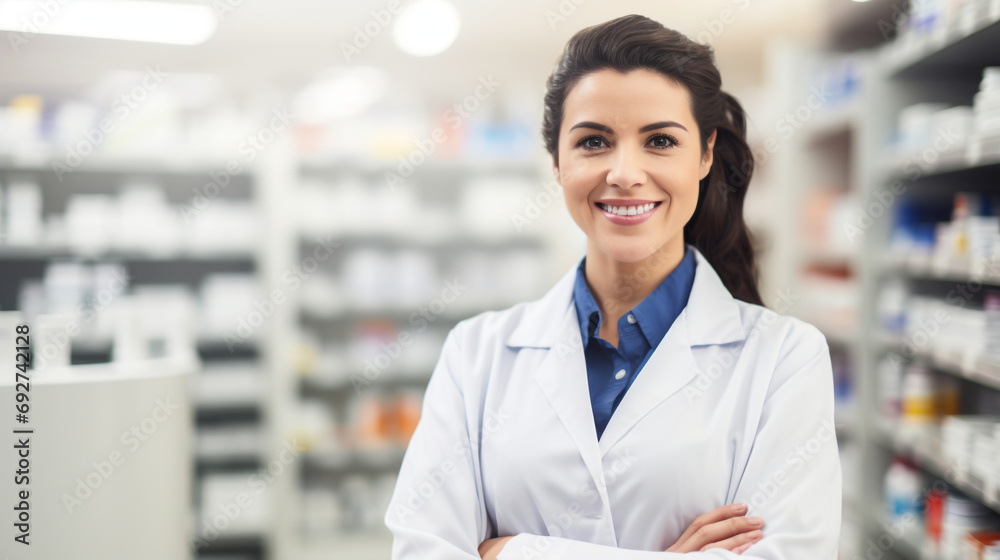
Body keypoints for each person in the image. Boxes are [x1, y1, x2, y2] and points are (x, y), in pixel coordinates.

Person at [384, 13, 841, 560]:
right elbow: (423, 551)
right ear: (556, 161)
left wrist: (509, 552)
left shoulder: (784, 359)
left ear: (704, 155)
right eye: (595, 141)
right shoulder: (475, 354)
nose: (625, 172)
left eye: (661, 141)